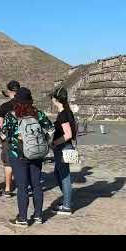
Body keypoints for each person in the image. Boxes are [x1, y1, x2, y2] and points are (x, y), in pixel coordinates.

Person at [2, 87, 55, 227]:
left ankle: (23, 218)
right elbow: (51, 130)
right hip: (36, 154)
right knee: (36, 185)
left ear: (17, 100)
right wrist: (44, 143)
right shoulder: (38, 114)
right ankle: (38, 216)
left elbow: (3, 134)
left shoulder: (11, 115)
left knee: (22, 187)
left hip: (18, 154)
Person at [50, 86, 77, 216]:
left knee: (65, 176)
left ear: (56, 99)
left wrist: (55, 142)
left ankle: (66, 206)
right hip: (65, 148)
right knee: (58, 173)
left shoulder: (63, 114)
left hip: (63, 148)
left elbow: (68, 134)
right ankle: (67, 199)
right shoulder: (66, 112)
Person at [0, 80, 20, 198]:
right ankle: (24, 186)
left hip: (9, 140)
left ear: (9, 91)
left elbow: (0, 125)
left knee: (8, 164)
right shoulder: (26, 105)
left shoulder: (5, 107)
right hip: (22, 139)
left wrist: (2, 139)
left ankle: (7, 189)